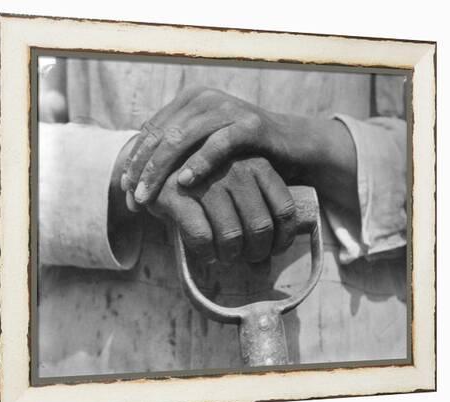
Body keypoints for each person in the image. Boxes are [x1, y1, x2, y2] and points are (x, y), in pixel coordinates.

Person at [37, 56, 407, 376]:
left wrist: (299, 140)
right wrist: (141, 163)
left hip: (346, 341)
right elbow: (1, 154)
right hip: (103, 349)